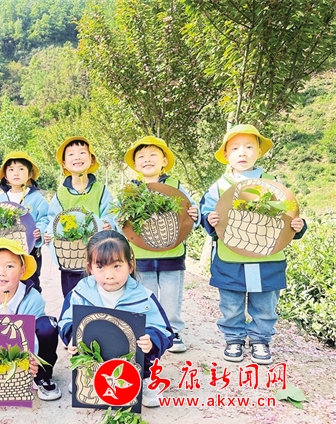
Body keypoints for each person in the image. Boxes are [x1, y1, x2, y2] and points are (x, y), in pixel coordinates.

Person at [200, 124, 307, 365]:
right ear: (226, 154)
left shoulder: (273, 182)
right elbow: (206, 215)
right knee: (231, 303)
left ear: (259, 152)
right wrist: (210, 220)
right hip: (231, 259)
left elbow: (290, 213)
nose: (242, 152)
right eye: (235, 148)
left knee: (265, 302)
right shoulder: (219, 187)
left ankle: (260, 339)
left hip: (267, 258)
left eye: (249, 147)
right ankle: (234, 339)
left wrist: (298, 226)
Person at [58, 230, 173, 407]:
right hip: (92, 362)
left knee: (140, 344)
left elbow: (165, 331)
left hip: (130, 364)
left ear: (130, 266)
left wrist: (151, 340)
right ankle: (85, 379)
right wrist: (72, 336)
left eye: (117, 266)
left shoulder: (144, 297)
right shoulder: (80, 293)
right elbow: (65, 321)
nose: (109, 275)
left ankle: (144, 380)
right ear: (90, 268)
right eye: (100, 267)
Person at [124, 136, 200, 353]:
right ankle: (149, 330)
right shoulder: (131, 189)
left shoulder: (176, 186)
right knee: (146, 295)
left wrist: (195, 215)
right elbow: (123, 219)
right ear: (135, 164)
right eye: (141, 157)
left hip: (172, 254)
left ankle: (172, 331)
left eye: (153, 155)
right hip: (141, 254)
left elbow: (190, 212)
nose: (147, 160)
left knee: (170, 295)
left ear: (164, 161)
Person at [0, 238, 61, 401]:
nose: (1, 272)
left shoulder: (33, 298)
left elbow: (30, 337)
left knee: (47, 326)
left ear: (22, 270)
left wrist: (30, 362)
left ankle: (42, 376)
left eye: (9, 266)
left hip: (28, 347)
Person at [44, 137, 116, 299]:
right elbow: (53, 221)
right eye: (71, 154)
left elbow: (111, 213)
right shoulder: (61, 194)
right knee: (72, 298)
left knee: (99, 298)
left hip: (99, 259)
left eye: (82, 153)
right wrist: (48, 235)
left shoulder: (101, 190)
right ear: (64, 163)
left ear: (91, 159)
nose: (77, 157)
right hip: (70, 260)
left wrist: (108, 223)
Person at [0, 151, 49, 292]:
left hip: (30, 251)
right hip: (6, 251)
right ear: (5, 175)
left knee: (31, 282)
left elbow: (45, 218)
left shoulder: (37, 198)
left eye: (21, 169)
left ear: (30, 174)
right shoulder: (0, 199)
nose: (16, 173)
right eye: (11, 169)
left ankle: (33, 305)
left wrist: (40, 230)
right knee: (7, 283)